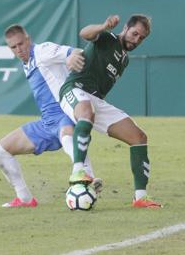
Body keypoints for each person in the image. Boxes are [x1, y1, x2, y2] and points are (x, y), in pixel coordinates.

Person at [0, 24, 102, 208]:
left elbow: (73, 51)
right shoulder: (27, 63)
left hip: (64, 112)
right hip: (46, 123)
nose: (19, 50)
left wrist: (73, 56)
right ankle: (25, 199)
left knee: (67, 136)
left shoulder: (42, 51)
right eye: (13, 47)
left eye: (21, 44)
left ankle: (87, 175)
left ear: (28, 39)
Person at [59, 14, 162, 208]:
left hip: (96, 99)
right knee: (87, 113)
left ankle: (140, 197)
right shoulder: (108, 38)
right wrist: (103, 26)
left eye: (141, 38)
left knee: (139, 137)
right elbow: (84, 33)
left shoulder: (124, 60)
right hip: (75, 89)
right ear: (126, 28)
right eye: (134, 33)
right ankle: (78, 171)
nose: (136, 40)